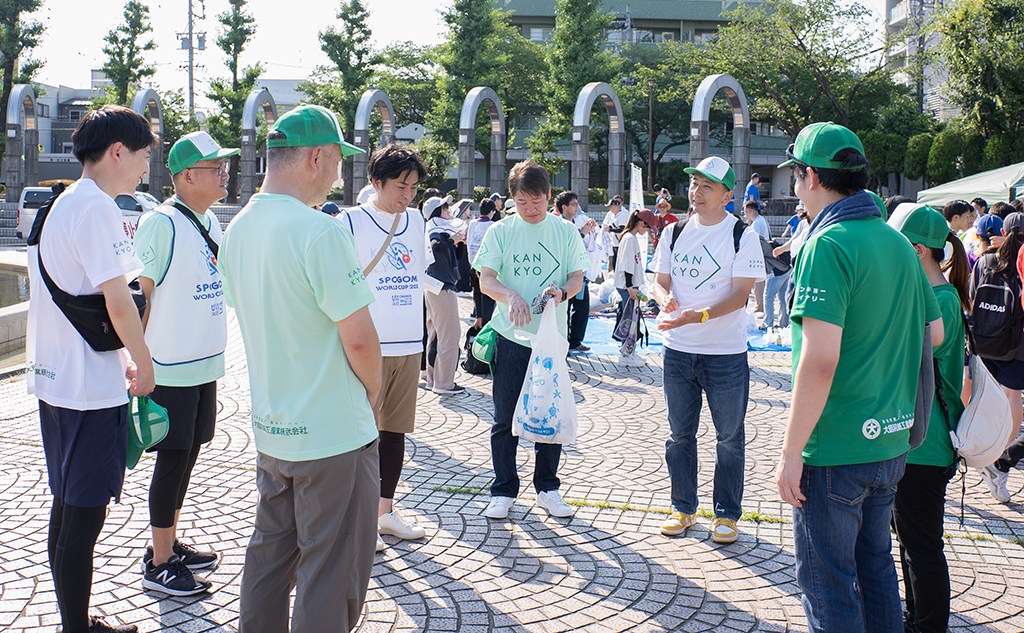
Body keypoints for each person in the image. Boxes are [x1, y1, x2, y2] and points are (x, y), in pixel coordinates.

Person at [774, 122, 942, 633]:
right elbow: (933, 334)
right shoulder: (896, 242)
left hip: (836, 448)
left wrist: (788, 453)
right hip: (890, 439)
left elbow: (820, 360)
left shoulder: (828, 245)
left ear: (809, 177)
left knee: (828, 585)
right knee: (875, 572)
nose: (796, 188)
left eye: (796, 177)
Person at [219, 105, 381, 633]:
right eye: (337, 161)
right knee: (330, 570)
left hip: (273, 427)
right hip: (332, 432)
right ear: (316, 157)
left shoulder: (237, 228)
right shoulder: (319, 232)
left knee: (270, 558)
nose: (339, 174)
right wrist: (372, 399)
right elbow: (359, 340)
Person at [27, 104, 156, 633]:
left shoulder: (63, 202)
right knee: (83, 518)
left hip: (56, 380)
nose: (148, 168)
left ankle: (72, 620)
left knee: (67, 507)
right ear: (117, 151)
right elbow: (118, 303)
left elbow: (81, 298)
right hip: (87, 390)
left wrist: (124, 355)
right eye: (146, 155)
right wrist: (144, 364)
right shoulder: (99, 208)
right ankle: (77, 628)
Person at [134, 131, 237, 596]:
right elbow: (141, 296)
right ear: (187, 176)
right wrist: (138, 364)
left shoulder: (210, 220)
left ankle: (169, 542)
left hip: (204, 365)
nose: (225, 174)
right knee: (172, 463)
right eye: (217, 168)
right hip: (170, 367)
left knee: (189, 456)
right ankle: (158, 562)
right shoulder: (161, 223)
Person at [652, 156, 766, 544]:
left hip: (726, 353)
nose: (696, 192)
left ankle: (727, 514)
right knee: (679, 435)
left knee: (729, 436)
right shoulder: (674, 232)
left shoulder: (742, 235)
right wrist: (665, 299)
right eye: (694, 184)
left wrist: (694, 316)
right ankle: (682, 507)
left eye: (706, 186)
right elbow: (660, 281)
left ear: (727, 195)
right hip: (678, 350)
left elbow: (739, 296)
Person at [474, 160, 588, 520]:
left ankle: (548, 488)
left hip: (550, 340)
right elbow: (486, 279)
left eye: (536, 201)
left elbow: (577, 279)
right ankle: (503, 489)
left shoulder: (566, 232)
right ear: (512, 199)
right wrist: (512, 295)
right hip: (510, 336)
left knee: (547, 415)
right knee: (504, 417)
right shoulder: (501, 231)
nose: (530, 209)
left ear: (549, 195)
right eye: (522, 202)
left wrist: (560, 293)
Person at [338, 143, 430, 552]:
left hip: (408, 342)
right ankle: (355, 519)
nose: (408, 194)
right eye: (400, 185)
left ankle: (384, 514)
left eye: (413, 187)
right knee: (359, 435)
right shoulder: (350, 222)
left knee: (394, 433)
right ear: (376, 182)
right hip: (366, 344)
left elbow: (418, 274)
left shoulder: (415, 221)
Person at [887, 204, 970, 633]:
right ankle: (914, 616)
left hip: (928, 443)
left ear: (918, 251)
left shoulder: (941, 302)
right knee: (910, 541)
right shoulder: (935, 296)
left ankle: (929, 625)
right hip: (915, 441)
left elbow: (907, 350)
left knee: (921, 545)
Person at [974, 212, 1024, 503]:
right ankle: (1000, 461)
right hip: (1018, 346)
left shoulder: (986, 260)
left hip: (988, 340)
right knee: (1011, 397)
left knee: (986, 399)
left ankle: (984, 454)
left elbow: (972, 297)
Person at [423, 195, 467, 395]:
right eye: (446, 209)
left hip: (434, 286)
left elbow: (452, 255)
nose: (449, 212)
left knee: (436, 334)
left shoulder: (437, 230)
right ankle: (444, 383)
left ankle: (433, 379)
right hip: (442, 288)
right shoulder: (435, 231)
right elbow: (436, 246)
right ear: (437, 212)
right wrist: (452, 239)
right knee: (450, 336)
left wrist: (458, 242)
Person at [555, 190, 599, 352]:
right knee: (565, 310)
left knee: (581, 309)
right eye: (574, 204)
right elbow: (566, 248)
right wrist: (582, 233)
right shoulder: (559, 225)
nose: (577, 207)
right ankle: (564, 343)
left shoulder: (573, 224)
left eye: (577, 204)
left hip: (579, 275)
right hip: (565, 277)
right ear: (564, 207)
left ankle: (574, 341)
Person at [615, 209, 657, 367]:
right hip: (628, 286)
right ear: (641, 223)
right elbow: (627, 266)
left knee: (632, 319)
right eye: (647, 228)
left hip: (629, 285)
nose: (647, 231)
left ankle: (628, 352)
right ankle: (626, 355)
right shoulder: (630, 239)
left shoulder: (629, 237)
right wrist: (630, 287)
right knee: (631, 320)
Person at [467, 198, 499, 330]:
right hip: (487, 265)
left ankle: (478, 316)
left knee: (477, 292)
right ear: (491, 211)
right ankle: (486, 322)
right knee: (488, 295)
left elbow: (468, 241)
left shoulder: (472, 223)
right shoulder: (493, 226)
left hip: (473, 263)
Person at [743, 200, 772, 314]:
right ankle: (760, 306)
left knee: (758, 283)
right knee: (759, 283)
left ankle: (759, 307)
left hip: (760, 255)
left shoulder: (756, 223)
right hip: (762, 254)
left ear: (749, 211)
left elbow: (751, 240)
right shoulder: (760, 220)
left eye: (745, 212)